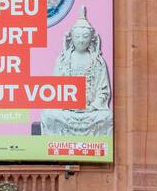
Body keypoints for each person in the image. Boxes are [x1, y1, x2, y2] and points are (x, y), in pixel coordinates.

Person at [42, 9, 112, 137]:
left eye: (85, 37)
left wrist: (92, 107)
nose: (81, 41)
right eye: (77, 37)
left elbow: (103, 91)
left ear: (91, 39)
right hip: (67, 110)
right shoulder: (63, 60)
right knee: (48, 116)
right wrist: (67, 105)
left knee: (107, 117)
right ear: (71, 37)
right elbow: (55, 89)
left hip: (90, 112)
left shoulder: (97, 61)